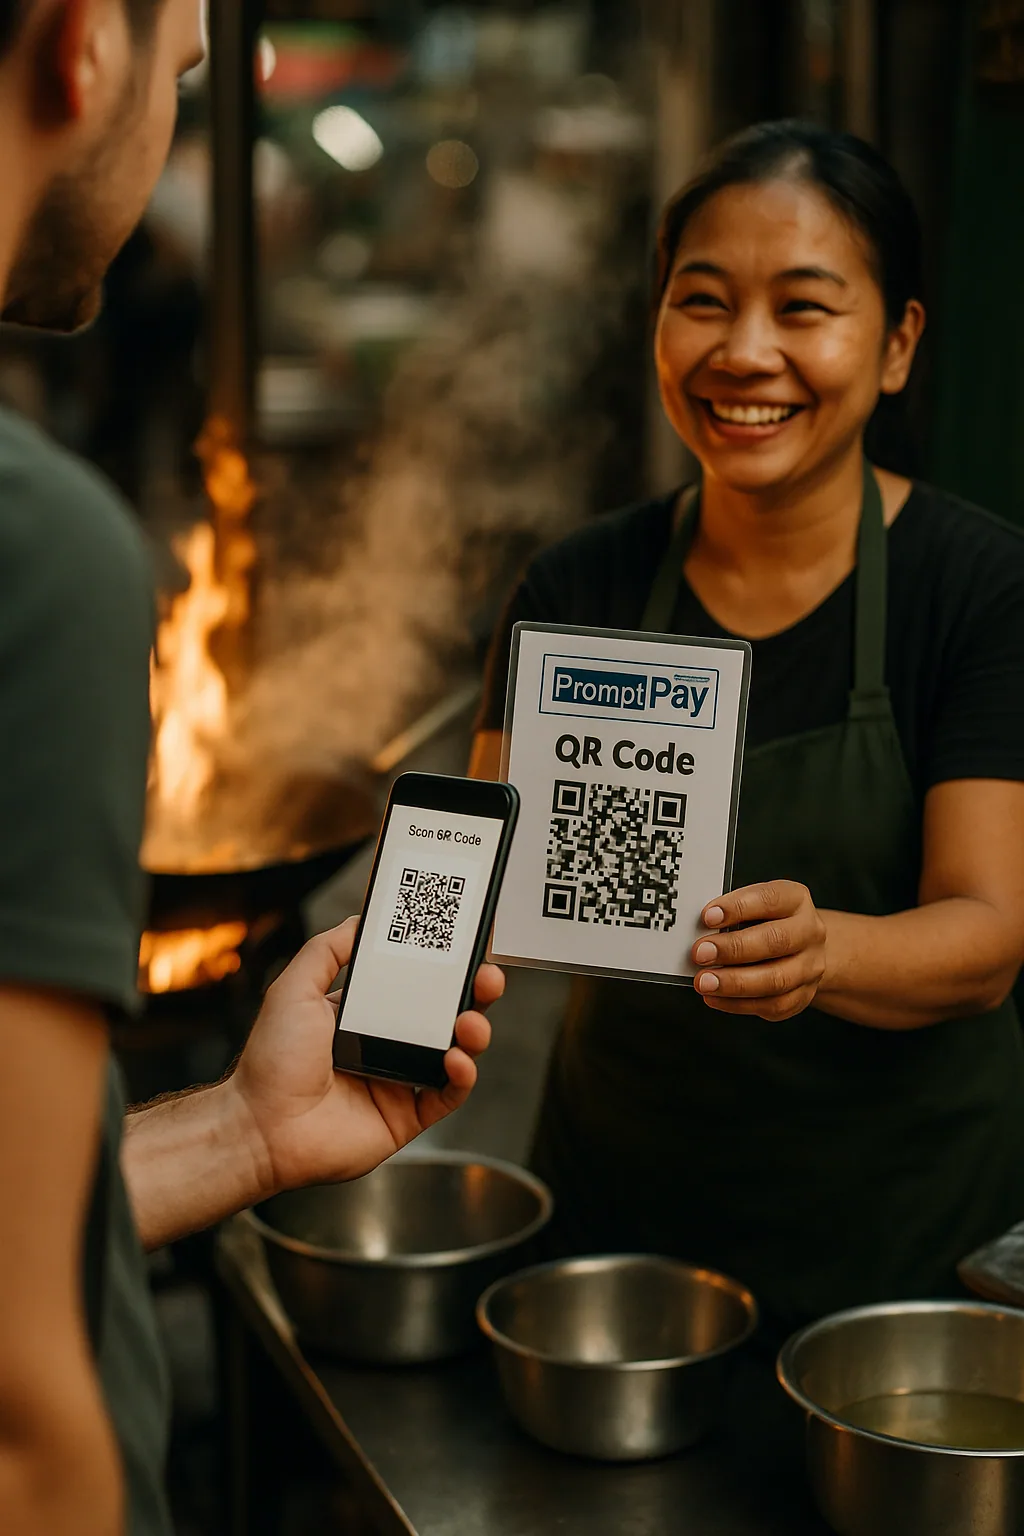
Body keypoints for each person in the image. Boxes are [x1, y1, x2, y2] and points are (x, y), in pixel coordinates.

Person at [0, 3, 500, 1533]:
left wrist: (244, 1131)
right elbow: (22, 1433)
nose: (195, 71)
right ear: (81, 44)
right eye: (180, 48)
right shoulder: (37, 555)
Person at [471, 120, 1024, 1340]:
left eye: (804, 308)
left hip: (895, 1245)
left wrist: (820, 951)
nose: (745, 353)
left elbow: (986, 935)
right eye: (703, 302)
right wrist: (415, 958)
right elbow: (479, 877)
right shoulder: (580, 588)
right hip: (621, 1226)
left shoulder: (976, 590)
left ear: (897, 346)